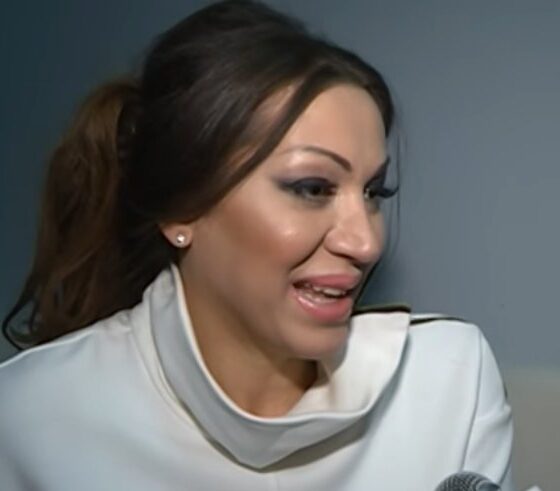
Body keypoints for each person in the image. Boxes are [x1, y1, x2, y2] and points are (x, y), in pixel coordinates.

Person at [0, 1, 514, 489]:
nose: (365, 242)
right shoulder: (26, 417)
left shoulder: (449, 380)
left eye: (374, 192)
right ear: (181, 208)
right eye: (312, 188)